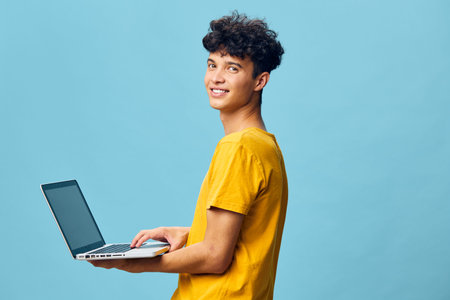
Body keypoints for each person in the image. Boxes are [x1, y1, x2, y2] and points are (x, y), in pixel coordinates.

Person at [90, 11, 287, 300]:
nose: (216, 78)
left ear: (260, 81)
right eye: (212, 64)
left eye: (232, 68)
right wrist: (190, 234)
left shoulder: (238, 148)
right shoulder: (265, 146)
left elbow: (215, 256)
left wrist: (133, 263)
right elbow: (244, 234)